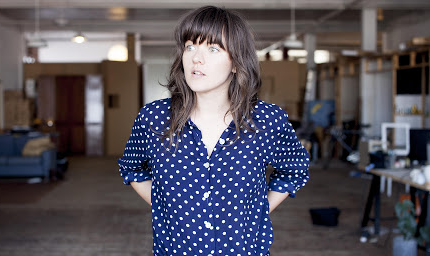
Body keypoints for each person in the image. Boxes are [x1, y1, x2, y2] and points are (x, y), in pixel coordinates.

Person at [118, 6, 309, 256]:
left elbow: (294, 170)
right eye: (190, 46)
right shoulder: (154, 119)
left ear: (236, 63)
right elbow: (132, 168)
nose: (196, 58)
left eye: (213, 48)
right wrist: (169, 209)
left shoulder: (266, 120)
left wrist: (256, 211)